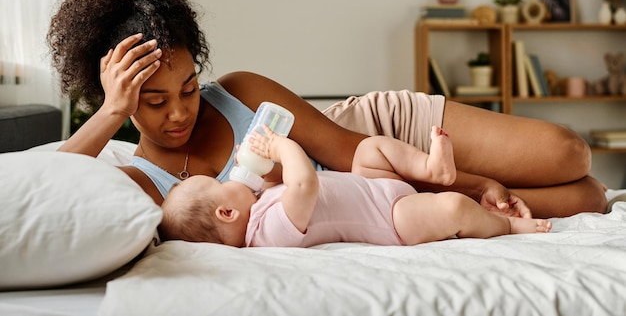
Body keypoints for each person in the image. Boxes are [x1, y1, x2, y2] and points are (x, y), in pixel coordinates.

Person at [46, 0, 606, 219]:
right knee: (590, 198)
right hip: (389, 198)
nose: (179, 111)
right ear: (116, 96)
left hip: (381, 139)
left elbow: (350, 153)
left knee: (569, 153)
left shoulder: (239, 93)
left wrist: (472, 184)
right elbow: (49, 193)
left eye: (188, 88)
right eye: (152, 100)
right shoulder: (143, 182)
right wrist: (111, 111)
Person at [159, 124, 552, 247]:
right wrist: (280, 146)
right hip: (392, 220)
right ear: (227, 212)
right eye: (220, 182)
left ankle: (433, 169)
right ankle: (506, 225)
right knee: (452, 209)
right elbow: (304, 185)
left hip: (371, 186)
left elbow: (285, 183)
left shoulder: (258, 202)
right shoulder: (267, 235)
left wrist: (263, 170)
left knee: (370, 149)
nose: (229, 176)